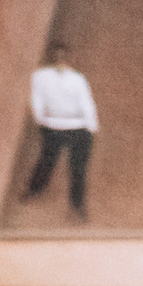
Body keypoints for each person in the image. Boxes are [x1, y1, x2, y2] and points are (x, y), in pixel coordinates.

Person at [24, 43, 98, 219]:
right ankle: (40, 193)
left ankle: (71, 205)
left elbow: (85, 103)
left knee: (62, 166)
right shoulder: (65, 78)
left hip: (66, 128)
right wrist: (91, 128)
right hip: (66, 127)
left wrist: (42, 122)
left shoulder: (67, 78)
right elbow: (38, 100)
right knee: (60, 166)